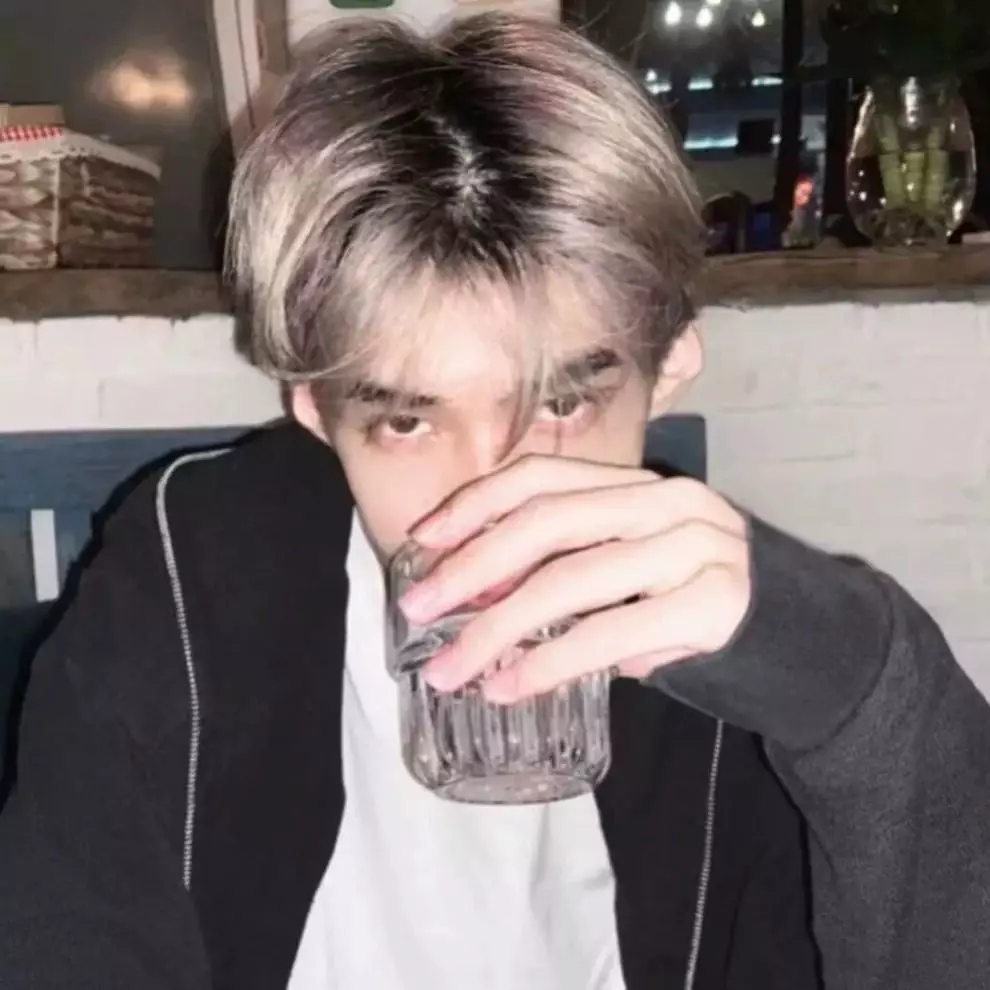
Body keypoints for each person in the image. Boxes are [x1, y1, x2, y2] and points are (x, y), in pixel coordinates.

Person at [1, 13, 988, 990]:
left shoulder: (719, 646)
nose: (493, 502)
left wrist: (865, 686)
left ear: (668, 368)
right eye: (407, 421)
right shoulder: (182, 585)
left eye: (560, 403)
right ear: (316, 410)